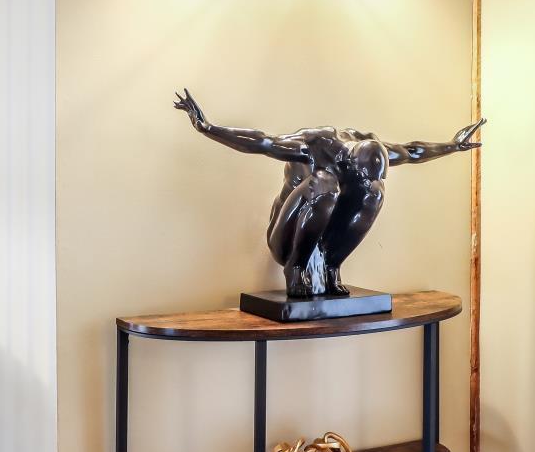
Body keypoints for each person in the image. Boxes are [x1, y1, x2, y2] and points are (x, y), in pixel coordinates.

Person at [173, 89, 484, 298]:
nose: (361, 183)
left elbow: (412, 152)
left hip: (326, 241)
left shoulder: (369, 147)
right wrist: (207, 127)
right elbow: (262, 142)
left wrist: (453, 146)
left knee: (375, 194)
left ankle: (332, 266)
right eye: (359, 176)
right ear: (349, 160)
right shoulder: (315, 144)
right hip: (286, 239)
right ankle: (296, 269)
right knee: (325, 184)